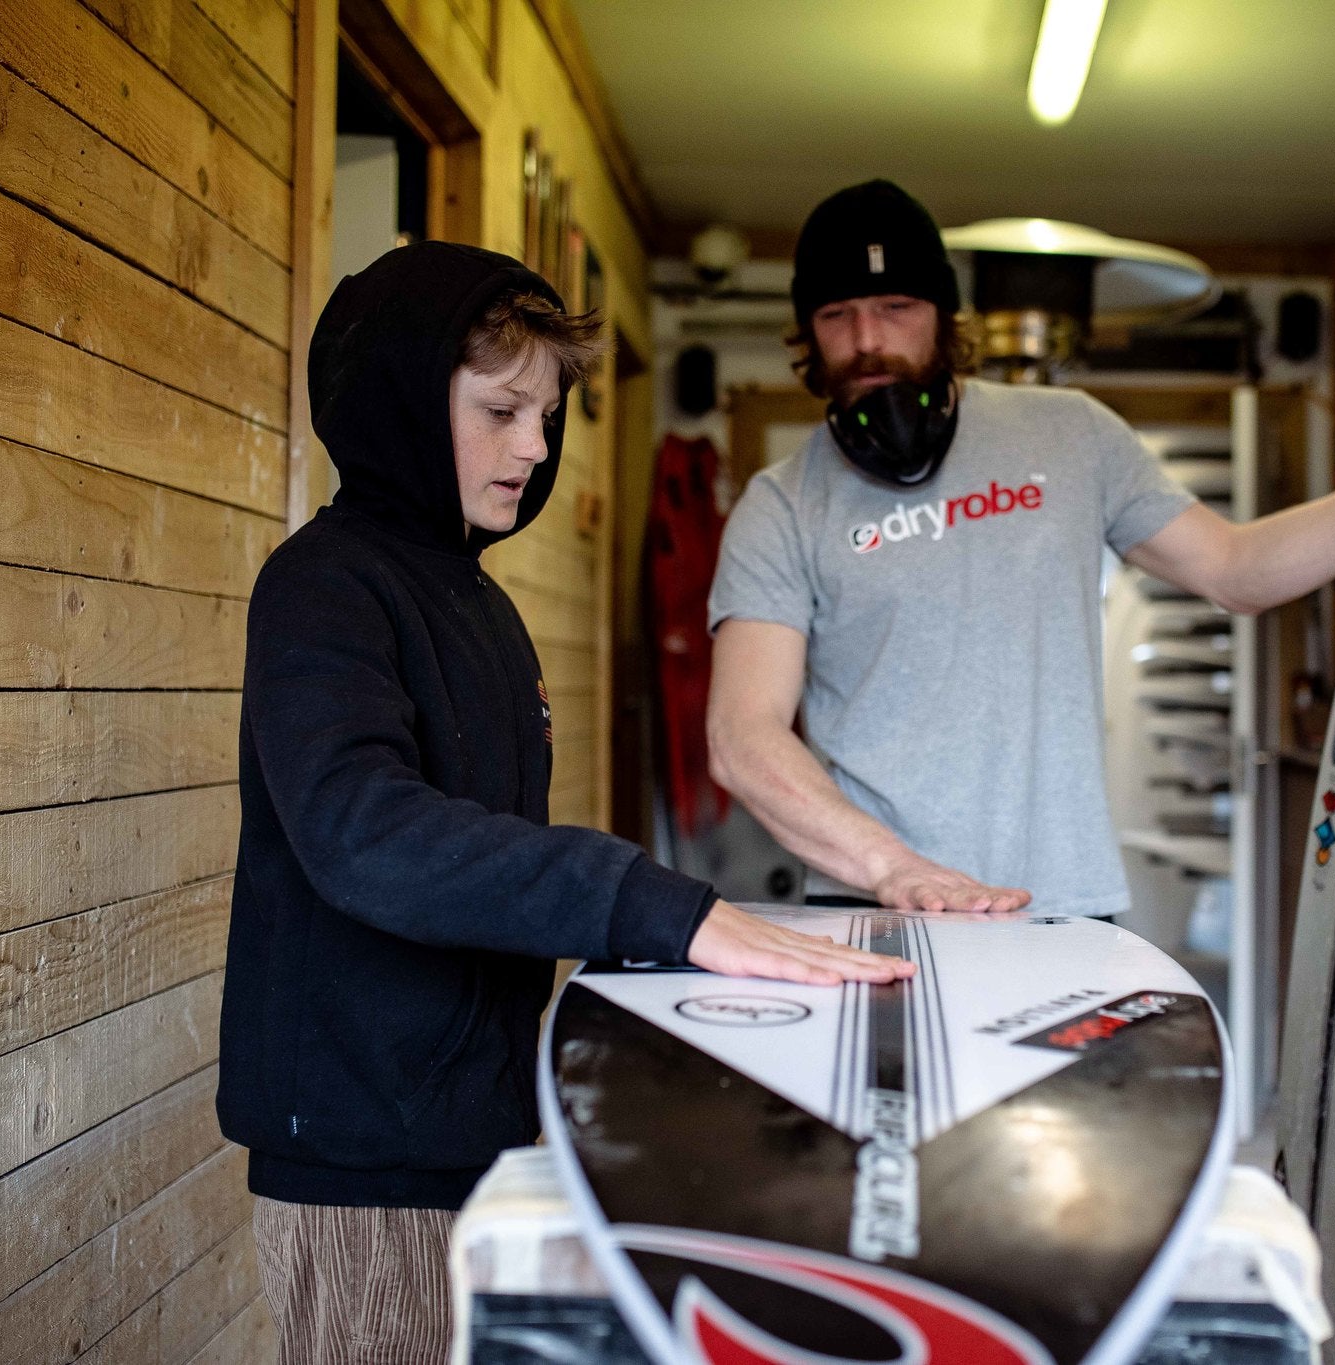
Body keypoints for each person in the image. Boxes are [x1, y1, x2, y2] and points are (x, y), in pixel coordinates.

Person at [217, 242, 908, 1364]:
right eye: (500, 410)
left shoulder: (480, 607)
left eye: (546, 414)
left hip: (476, 1127)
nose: (535, 447)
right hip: (363, 1159)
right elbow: (365, 832)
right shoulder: (322, 585)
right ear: (397, 399)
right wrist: (648, 902)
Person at [707, 180, 1335, 918]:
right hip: (872, 907)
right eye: (839, 315)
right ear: (808, 330)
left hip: (1060, 905)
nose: (868, 339)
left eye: (896, 307)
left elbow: (1236, 569)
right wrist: (896, 869)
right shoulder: (781, 505)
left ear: (942, 315)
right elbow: (744, 735)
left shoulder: (1070, 435)